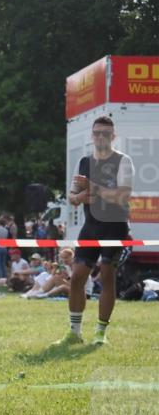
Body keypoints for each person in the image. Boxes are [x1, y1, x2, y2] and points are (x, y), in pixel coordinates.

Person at [55, 115, 134, 345]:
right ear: (92, 135)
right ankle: (74, 332)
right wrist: (79, 196)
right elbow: (72, 196)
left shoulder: (123, 161)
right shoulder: (84, 162)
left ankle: (100, 333)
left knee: (107, 278)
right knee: (78, 277)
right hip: (91, 226)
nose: (101, 137)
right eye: (97, 132)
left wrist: (93, 189)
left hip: (115, 227)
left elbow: (122, 195)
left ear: (113, 136)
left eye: (105, 133)